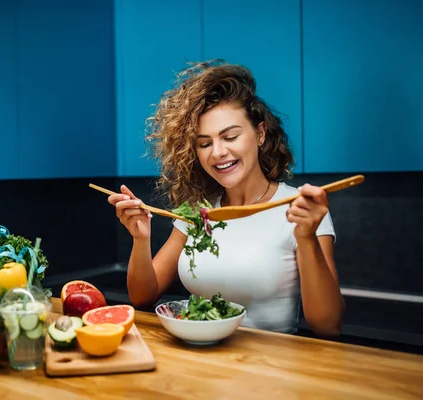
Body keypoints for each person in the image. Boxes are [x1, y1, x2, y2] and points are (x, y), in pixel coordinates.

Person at [108, 59, 343, 337]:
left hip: (273, 369)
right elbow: (143, 297)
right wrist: (141, 239)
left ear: (260, 134)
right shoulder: (198, 211)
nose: (217, 152)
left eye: (230, 136)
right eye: (204, 143)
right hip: (202, 363)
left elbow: (327, 326)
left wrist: (306, 237)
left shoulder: (299, 210)